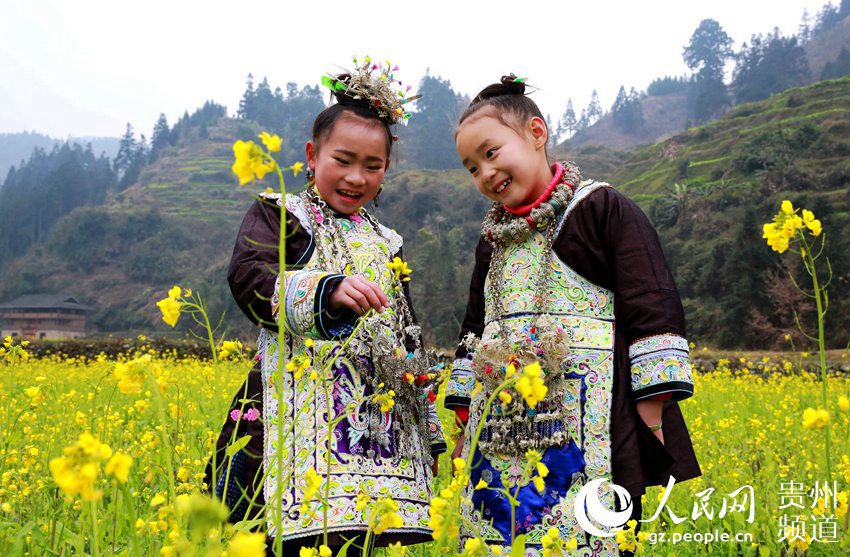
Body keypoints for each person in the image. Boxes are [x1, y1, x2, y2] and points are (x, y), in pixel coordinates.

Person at [444, 76, 700, 555]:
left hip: (598, 423)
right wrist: (465, 418)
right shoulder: (492, 243)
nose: (485, 174)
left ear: (536, 133)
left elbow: (651, 300)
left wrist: (651, 409)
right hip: (500, 429)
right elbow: (472, 328)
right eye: (472, 167)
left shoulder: (601, 208)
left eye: (492, 152)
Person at [204, 60, 446, 556]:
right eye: (344, 159)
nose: (357, 177)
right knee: (265, 535)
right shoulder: (280, 214)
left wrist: (428, 429)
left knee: (361, 540)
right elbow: (250, 278)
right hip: (288, 421)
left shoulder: (387, 242)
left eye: (373, 166)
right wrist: (326, 291)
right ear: (312, 156)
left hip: (376, 429)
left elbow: (408, 335)